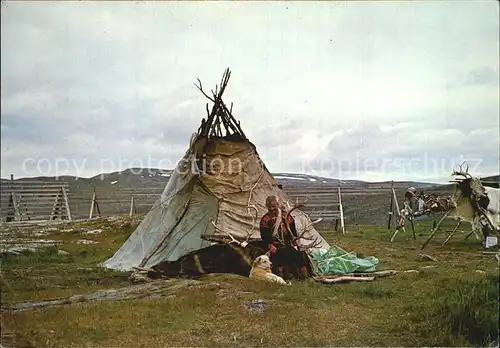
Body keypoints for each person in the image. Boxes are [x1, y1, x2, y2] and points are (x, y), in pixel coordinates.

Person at [259, 195, 309, 280]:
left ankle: (305, 277)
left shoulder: (286, 216)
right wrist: (270, 245)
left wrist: (295, 241)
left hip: (287, 244)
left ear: (278, 205)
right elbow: (265, 237)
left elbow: (293, 232)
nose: (271, 209)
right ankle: (281, 277)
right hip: (275, 246)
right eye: (269, 207)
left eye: (273, 207)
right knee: (278, 257)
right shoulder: (265, 220)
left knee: (301, 256)